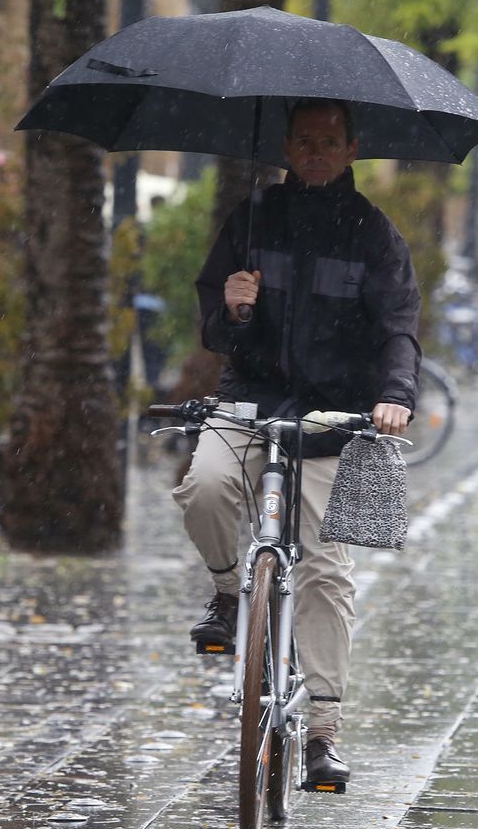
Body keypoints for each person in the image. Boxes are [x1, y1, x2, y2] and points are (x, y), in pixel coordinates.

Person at [173, 98, 419, 786]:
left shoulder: (374, 235)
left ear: (351, 149)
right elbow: (213, 327)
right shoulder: (252, 220)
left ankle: (323, 732)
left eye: (329, 140)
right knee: (205, 487)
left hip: (334, 418)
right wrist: (233, 310)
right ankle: (229, 593)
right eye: (304, 140)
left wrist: (395, 397)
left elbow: (399, 326)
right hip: (248, 401)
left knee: (326, 572)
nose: (315, 151)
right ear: (285, 146)